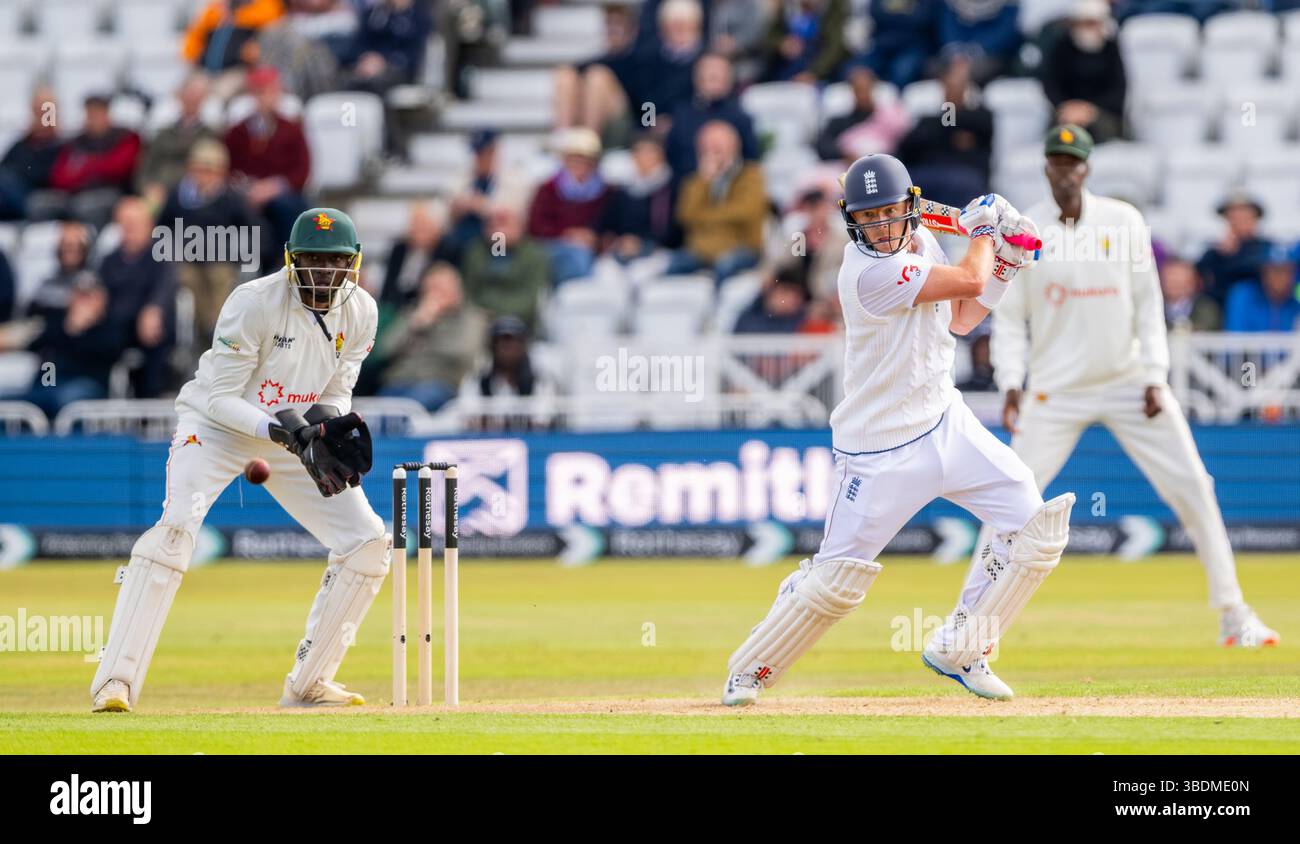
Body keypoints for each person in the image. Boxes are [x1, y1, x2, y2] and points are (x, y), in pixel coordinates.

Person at [723, 153, 1069, 706]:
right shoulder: (868, 273)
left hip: (945, 421)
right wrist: (988, 235)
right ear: (851, 220)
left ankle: (963, 646)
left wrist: (1005, 261)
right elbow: (969, 275)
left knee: (1033, 526)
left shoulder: (921, 238)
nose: (881, 229)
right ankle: (749, 668)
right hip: (878, 451)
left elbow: (961, 315)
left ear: (910, 207)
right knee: (834, 585)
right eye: (868, 219)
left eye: (889, 214)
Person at [985, 124, 1278, 648]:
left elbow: (1149, 306)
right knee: (1009, 501)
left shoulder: (1123, 221)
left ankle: (1234, 613)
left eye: (1073, 162)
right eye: (1056, 162)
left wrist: (1154, 376)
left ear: (1087, 169)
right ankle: (973, 626)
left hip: (1128, 382)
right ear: (1047, 168)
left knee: (1194, 487)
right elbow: (1009, 319)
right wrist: (1011, 382)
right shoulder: (1027, 231)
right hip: (1054, 391)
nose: (1065, 171)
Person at [90, 207, 386, 713]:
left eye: (335, 262)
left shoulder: (362, 310)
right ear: (291, 260)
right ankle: (115, 682)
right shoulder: (254, 302)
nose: (323, 274)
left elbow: (337, 390)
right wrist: (278, 430)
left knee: (368, 544)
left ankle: (309, 684)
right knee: (175, 532)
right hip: (216, 428)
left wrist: (322, 429)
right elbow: (220, 396)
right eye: (312, 261)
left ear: (353, 263)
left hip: (291, 434)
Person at [157, 139, 259, 343]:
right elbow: (162, 229)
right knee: (185, 280)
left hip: (222, 260)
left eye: (209, 170)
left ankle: (218, 333)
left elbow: (254, 234)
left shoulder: (232, 199)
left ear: (221, 172)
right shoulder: (177, 197)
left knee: (219, 277)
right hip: (186, 258)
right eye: (198, 169)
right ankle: (195, 335)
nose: (202, 176)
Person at [373, 262, 488, 410]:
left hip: (442, 383)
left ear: (457, 291)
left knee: (411, 407)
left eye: (441, 289)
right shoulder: (414, 314)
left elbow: (464, 351)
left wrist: (430, 337)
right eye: (431, 289)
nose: (434, 295)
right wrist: (414, 324)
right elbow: (384, 349)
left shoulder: (472, 317)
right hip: (399, 381)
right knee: (377, 411)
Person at [223, 66, 311, 254]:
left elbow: (302, 170)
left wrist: (273, 187)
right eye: (259, 92)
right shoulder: (238, 131)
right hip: (246, 191)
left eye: (269, 92)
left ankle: (287, 258)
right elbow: (228, 166)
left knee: (286, 208)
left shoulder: (292, 129)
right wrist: (247, 187)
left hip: (282, 194)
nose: (265, 98)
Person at [97, 198, 179, 398]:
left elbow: (165, 288)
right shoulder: (110, 260)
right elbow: (100, 293)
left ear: (149, 226)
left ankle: (153, 395)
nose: (129, 229)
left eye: (135, 223)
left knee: (155, 333)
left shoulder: (161, 256)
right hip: (115, 325)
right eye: (124, 224)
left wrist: (153, 309)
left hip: (151, 326)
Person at [671, 121, 767, 281]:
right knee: (671, 268)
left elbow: (745, 212)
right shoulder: (696, 181)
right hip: (700, 250)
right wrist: (705, 181)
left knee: (724, 267)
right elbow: (685, 216)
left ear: (734, 146)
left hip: (741, 247)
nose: (713, 151)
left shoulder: (752, 175)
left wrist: (705, 216)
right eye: (707, 146)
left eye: (718, 146)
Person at [896, 51, 993, 207]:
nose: (953, 91)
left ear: (966, 89)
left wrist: (950, 121)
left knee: (962, 184)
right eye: (949, 87)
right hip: (930, 172)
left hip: (965, 174)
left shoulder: (981, 116)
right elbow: (907, 145)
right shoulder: (928, 120)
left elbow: (956, 125)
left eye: (958, 87)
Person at [35, 95, 142, 227]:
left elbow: (118, 168)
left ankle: (89, 244)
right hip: (74, 194)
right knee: (40, 203)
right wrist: (90, 169)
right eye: (90, 113)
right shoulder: (76, 142)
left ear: (107, 114)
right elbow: (59, 177)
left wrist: (85, 167)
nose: (93, 118)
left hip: (113, 193)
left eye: (97, 113)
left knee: (86, 207)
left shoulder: (125, 138)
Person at [526, 128, 609, 285]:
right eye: (574, 159)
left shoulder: (605, 191)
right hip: (553, 245)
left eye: (585, 160)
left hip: (592, 248)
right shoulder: (548, 189)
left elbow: (609, 224)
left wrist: (593, 237)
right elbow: (536, 226)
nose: (579, 165)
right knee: (575, 258)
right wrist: (567, 235)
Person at [1040, 0, 1126, 143]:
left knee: (1096, 130)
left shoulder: (1111, 49)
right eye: (1080, 24)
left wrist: (1090, 110)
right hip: (1067, 112)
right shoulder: (1062, 47)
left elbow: (1118, 90)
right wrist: (1067, 107)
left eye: (1090, 23)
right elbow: (1050, 84)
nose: (1084, 29)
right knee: (1064, 132)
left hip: (1102, 113)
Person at [663, 53, 760, 180]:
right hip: (687, 186)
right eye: (709, 73)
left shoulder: (740, 117)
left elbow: (751, 160)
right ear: (697, 77)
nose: (714, 77)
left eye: (719, 73)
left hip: (731, 187)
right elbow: (672, 156)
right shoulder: (682, 113)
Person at [460, 203, 550, 331]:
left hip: (519, 321)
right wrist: (477, 312)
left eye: (503, 223)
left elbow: (531, 297)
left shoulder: (534, 254)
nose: (498, 231)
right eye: (492, 224)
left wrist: (497, 314)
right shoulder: (476, 251)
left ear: (520, 226)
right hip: (478, 319)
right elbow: (467, 289)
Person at [136, 75, 222, 209]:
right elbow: (146, 166)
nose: (192, 99)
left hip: (192, 194)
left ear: (204, 99)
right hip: (158, 192)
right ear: (180, 96)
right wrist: (148, 187)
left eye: (197, 96)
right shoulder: (163, 134)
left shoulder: (210, 135)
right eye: (189, 94)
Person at [597, 134, 678, 261]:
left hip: (656, 249)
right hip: (621, 247)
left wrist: (640, 242)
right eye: (640, 151)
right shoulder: (624, 187)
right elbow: (608, 221)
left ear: (661, 156)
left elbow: (672, 230)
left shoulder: (670, 187)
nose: (645, 157)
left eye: (650, 152)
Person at [815, 65, 912, 162]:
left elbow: (901, 145)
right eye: (859, 89)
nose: (863, 94)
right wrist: (845, 154)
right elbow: (823, 146)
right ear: (852, 91)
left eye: (867, 88)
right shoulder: (840, 121)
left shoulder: (888, 118)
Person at [1196, 193, 1273, 308]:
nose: (1239, 220)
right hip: (1219, 312)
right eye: (1233, 216)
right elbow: (1200, 275)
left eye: (1244, 215)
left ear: (1255, 218)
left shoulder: (1267, 248)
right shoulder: (1214, 253)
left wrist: (1230, 257)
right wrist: (1221, 255)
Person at [0, 87, 63, 221]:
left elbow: (51, 177)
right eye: (38, 110)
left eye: (47, 110)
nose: (42, 115)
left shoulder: (62, 145)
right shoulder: (22, 144)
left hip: (36, 197)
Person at [762, 0, 849, 83]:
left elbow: (834, 47)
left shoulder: (833, 6)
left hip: (821, 74)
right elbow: (769, 38)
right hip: (785, 72)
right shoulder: (787, 7)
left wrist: (813, 73)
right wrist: (782, 43)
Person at [1223, 246, 1300, 333]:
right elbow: (1236, 337)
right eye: (1274, 270)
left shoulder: (1296, 300)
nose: (1280, 277)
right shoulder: (1243, 295)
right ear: (1263, 272)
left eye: (1287, 271)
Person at [1161, 258, 1220, 331]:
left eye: (1178, 282)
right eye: (1170, 280)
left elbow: (1207, 328)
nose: (1173, 285)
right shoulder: (1153, 307)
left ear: (1193, 282)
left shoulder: (1207, 308)